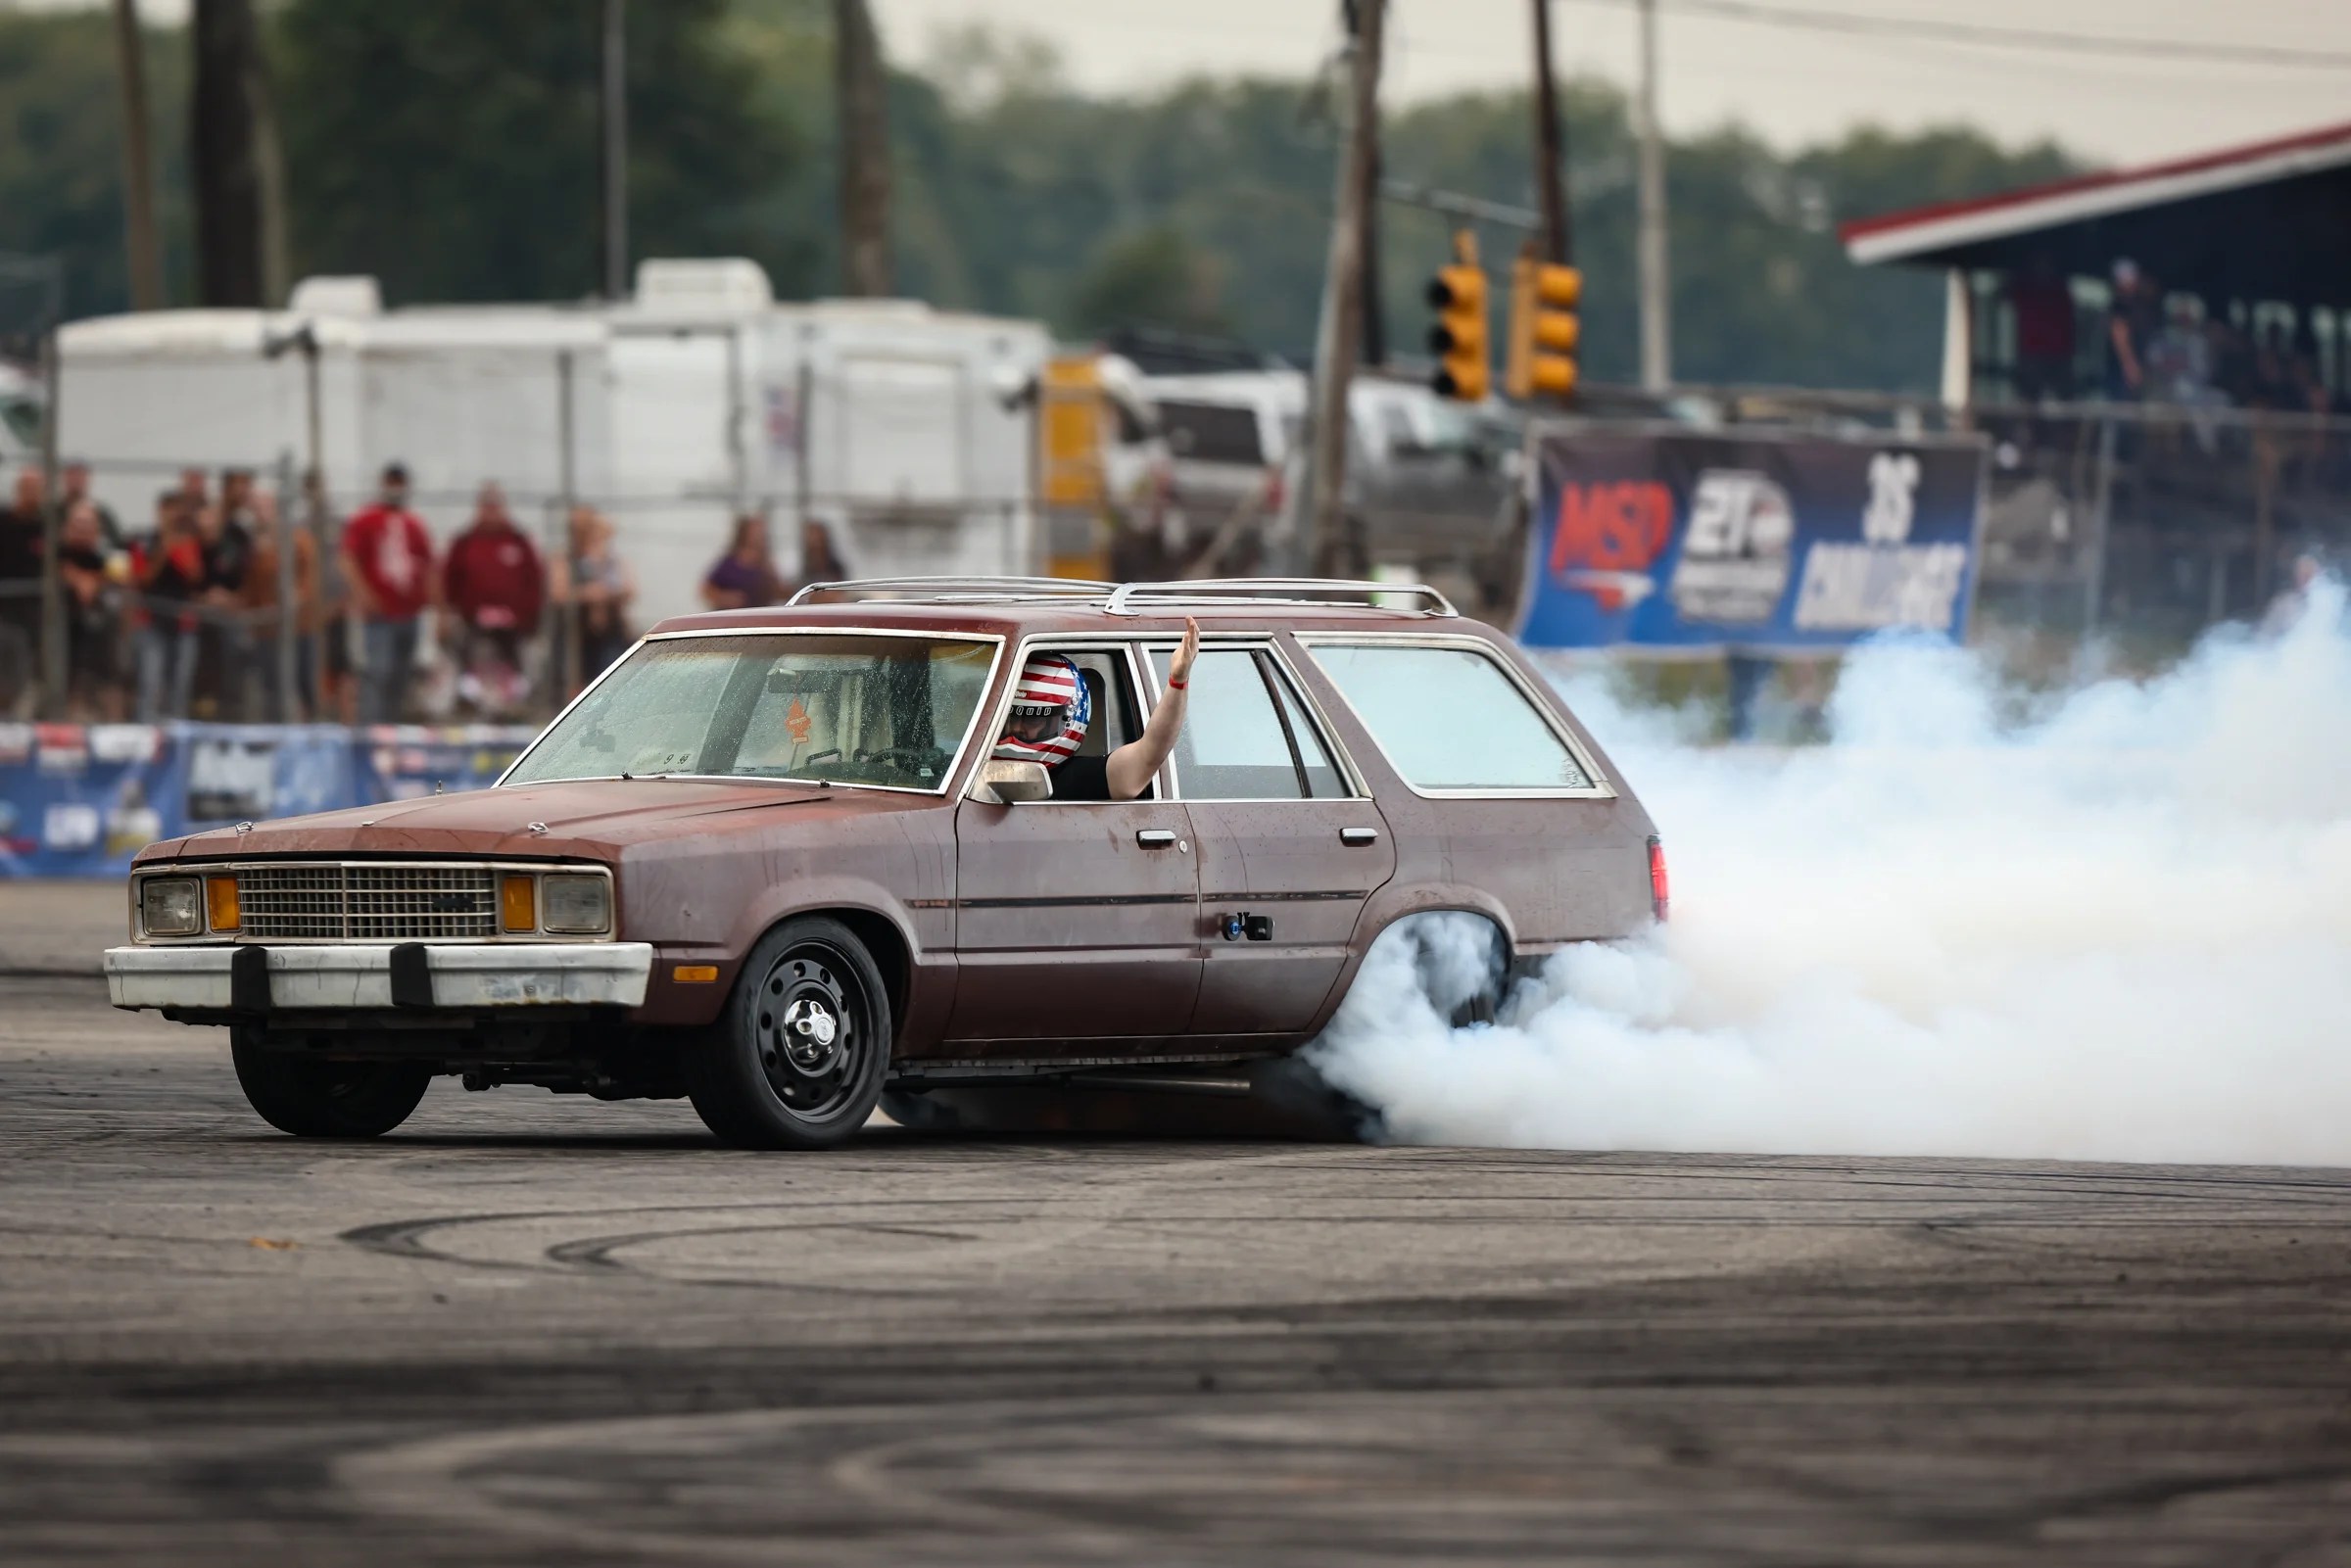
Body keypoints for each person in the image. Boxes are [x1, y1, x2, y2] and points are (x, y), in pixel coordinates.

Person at [991, 618, 1198, 801]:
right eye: (1012, 716)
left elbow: (1149, 753)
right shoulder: (970, 767)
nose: (1016, 728)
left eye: (1033, 718)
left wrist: (1177, 682)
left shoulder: (1076, 779)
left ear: (1068, 720)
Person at [340, 461, 436, 725]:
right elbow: (347, 558)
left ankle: (393, 729)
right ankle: (371, 732)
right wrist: (363, 593)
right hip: (379, 615)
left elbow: (428, 566)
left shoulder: (414, 525)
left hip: (410, 613)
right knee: (377, 674)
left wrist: (435, 609)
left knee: (402, 677)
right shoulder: (366, 520)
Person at [441, 482, 545, 716]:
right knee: (466, 655)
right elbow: (450, 580)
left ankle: (517, 701)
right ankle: (468, 697)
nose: (491, 512)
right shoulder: (465, 541)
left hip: (513, 623)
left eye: (495, 507)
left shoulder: (518, 540)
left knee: (518, 660)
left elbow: (533, 581)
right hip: (472, 620)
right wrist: (449, 615)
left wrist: (527, 617)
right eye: (486, 507)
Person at [240, 488, 321, 718]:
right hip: (268, 630)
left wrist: (297, 598)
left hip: (301, 628)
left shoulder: (299, 540)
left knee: (305, 685)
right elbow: (251, 589)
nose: (261, 514)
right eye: (256, 510)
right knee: (272, 688)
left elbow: (309, 577)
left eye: (264, 508)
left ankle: (310, 733)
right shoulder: (253, 547)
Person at [131, 490, 207, 721]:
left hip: (182, 622)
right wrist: (165, 547)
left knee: (180, 685)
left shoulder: (191, 542)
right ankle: (146, 729)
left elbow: (195, 575)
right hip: (151, 621)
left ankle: (178, 733)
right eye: (167, 511)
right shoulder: (144, 541)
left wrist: (179, 546)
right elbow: (143, 578)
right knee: (151, 682)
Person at [550, 505, 636, 689]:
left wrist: (605, 593)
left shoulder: (609, 559)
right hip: (576, 633)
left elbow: (628, 589)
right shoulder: (565, 558)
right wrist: (590, 593)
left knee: (610, 681)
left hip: (608, 634)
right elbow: (559, 593)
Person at [198, 468, 261, 718]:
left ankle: (232, 718)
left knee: (234, 672)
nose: (242, 492)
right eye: (237, 486)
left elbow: (250, 573)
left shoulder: (241, 532)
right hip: (201, 611)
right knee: (204, 672)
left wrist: (236, 599)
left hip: (233, 612)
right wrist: (204, 595)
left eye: (246, 486)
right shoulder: (208, 523)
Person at [57, 499, 124, 718]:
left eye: (88, 525)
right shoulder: (56, 553)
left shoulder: (107, 555)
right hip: (63, 633)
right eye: (77, 524)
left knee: (108, 681)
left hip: (102, 637)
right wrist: (76, 579)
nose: (82, 531)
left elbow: (120, 581)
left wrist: (94, 582)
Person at [2006, 255, 2076, 404]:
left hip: (2058, 353)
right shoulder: (2025, 290)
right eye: (2039, 265)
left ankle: (2064, 426)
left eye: (2047, 266)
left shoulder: (2060, 291)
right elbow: (2004, 295)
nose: (2043, 270)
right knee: (2029, 399)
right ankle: (2031, 426)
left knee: (2065, 401)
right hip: (2032, 353)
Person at [2104, 259, 2161, 401]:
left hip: (2143, 368)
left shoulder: (2141, 304)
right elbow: (2120, 335)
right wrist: (2130, 365)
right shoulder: (2119, 308)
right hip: (2122, 372)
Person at [702, 514, 784, 609]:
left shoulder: (765, 563)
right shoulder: (730, 562)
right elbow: (707, 589)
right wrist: (725, 598)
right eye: (756, 530)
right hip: (734, 616)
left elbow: (778, 590)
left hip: (759, 615)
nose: (759, 534)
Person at [60, 461, 122, 549]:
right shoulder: (52, 514)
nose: (75, 482)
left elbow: (116, 543)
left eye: (79, 477)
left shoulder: (102, 513)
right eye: (72, 477)